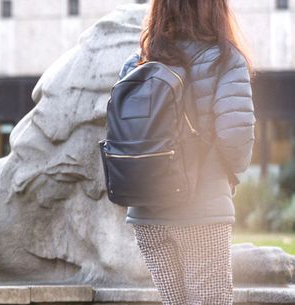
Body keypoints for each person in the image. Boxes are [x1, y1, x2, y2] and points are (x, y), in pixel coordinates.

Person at [120, 1, 255, 304]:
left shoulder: (136, 63)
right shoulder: (225, 60)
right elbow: (236, 138)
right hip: (200, 210)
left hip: (146, 215)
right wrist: (231, 176)